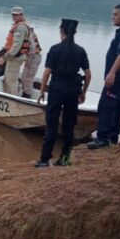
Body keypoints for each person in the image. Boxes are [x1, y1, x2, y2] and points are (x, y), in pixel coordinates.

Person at [35, 19, 91, 167]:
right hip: (73, 90)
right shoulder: (80, 50)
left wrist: (41, 91)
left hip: (57, 89)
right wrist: (83, 92)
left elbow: (47, 72)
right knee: (69, 126)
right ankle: (64, 159)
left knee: (51, 124)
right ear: (75, 33)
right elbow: (88, 74)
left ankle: (44, 159)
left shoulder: (55, 49)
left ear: (62, 32)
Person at [87, 4, 120, 149]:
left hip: (118, 77)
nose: (112, 17)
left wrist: (112, 73)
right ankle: (112, 137)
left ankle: (103, 138)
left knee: (106, 106)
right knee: (117, 107)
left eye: (115, 14)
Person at [0, 7, 37, 97]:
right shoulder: (19, 26)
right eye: (13, 14)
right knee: (7, 79)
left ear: (22, 15)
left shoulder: (21, 27)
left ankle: (12, 101)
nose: (14, 16)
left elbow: (16, 47)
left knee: (11, 81)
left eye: (16, 15)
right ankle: (7, 98)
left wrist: (4, 57)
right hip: (14, 57)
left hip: (15, 57)